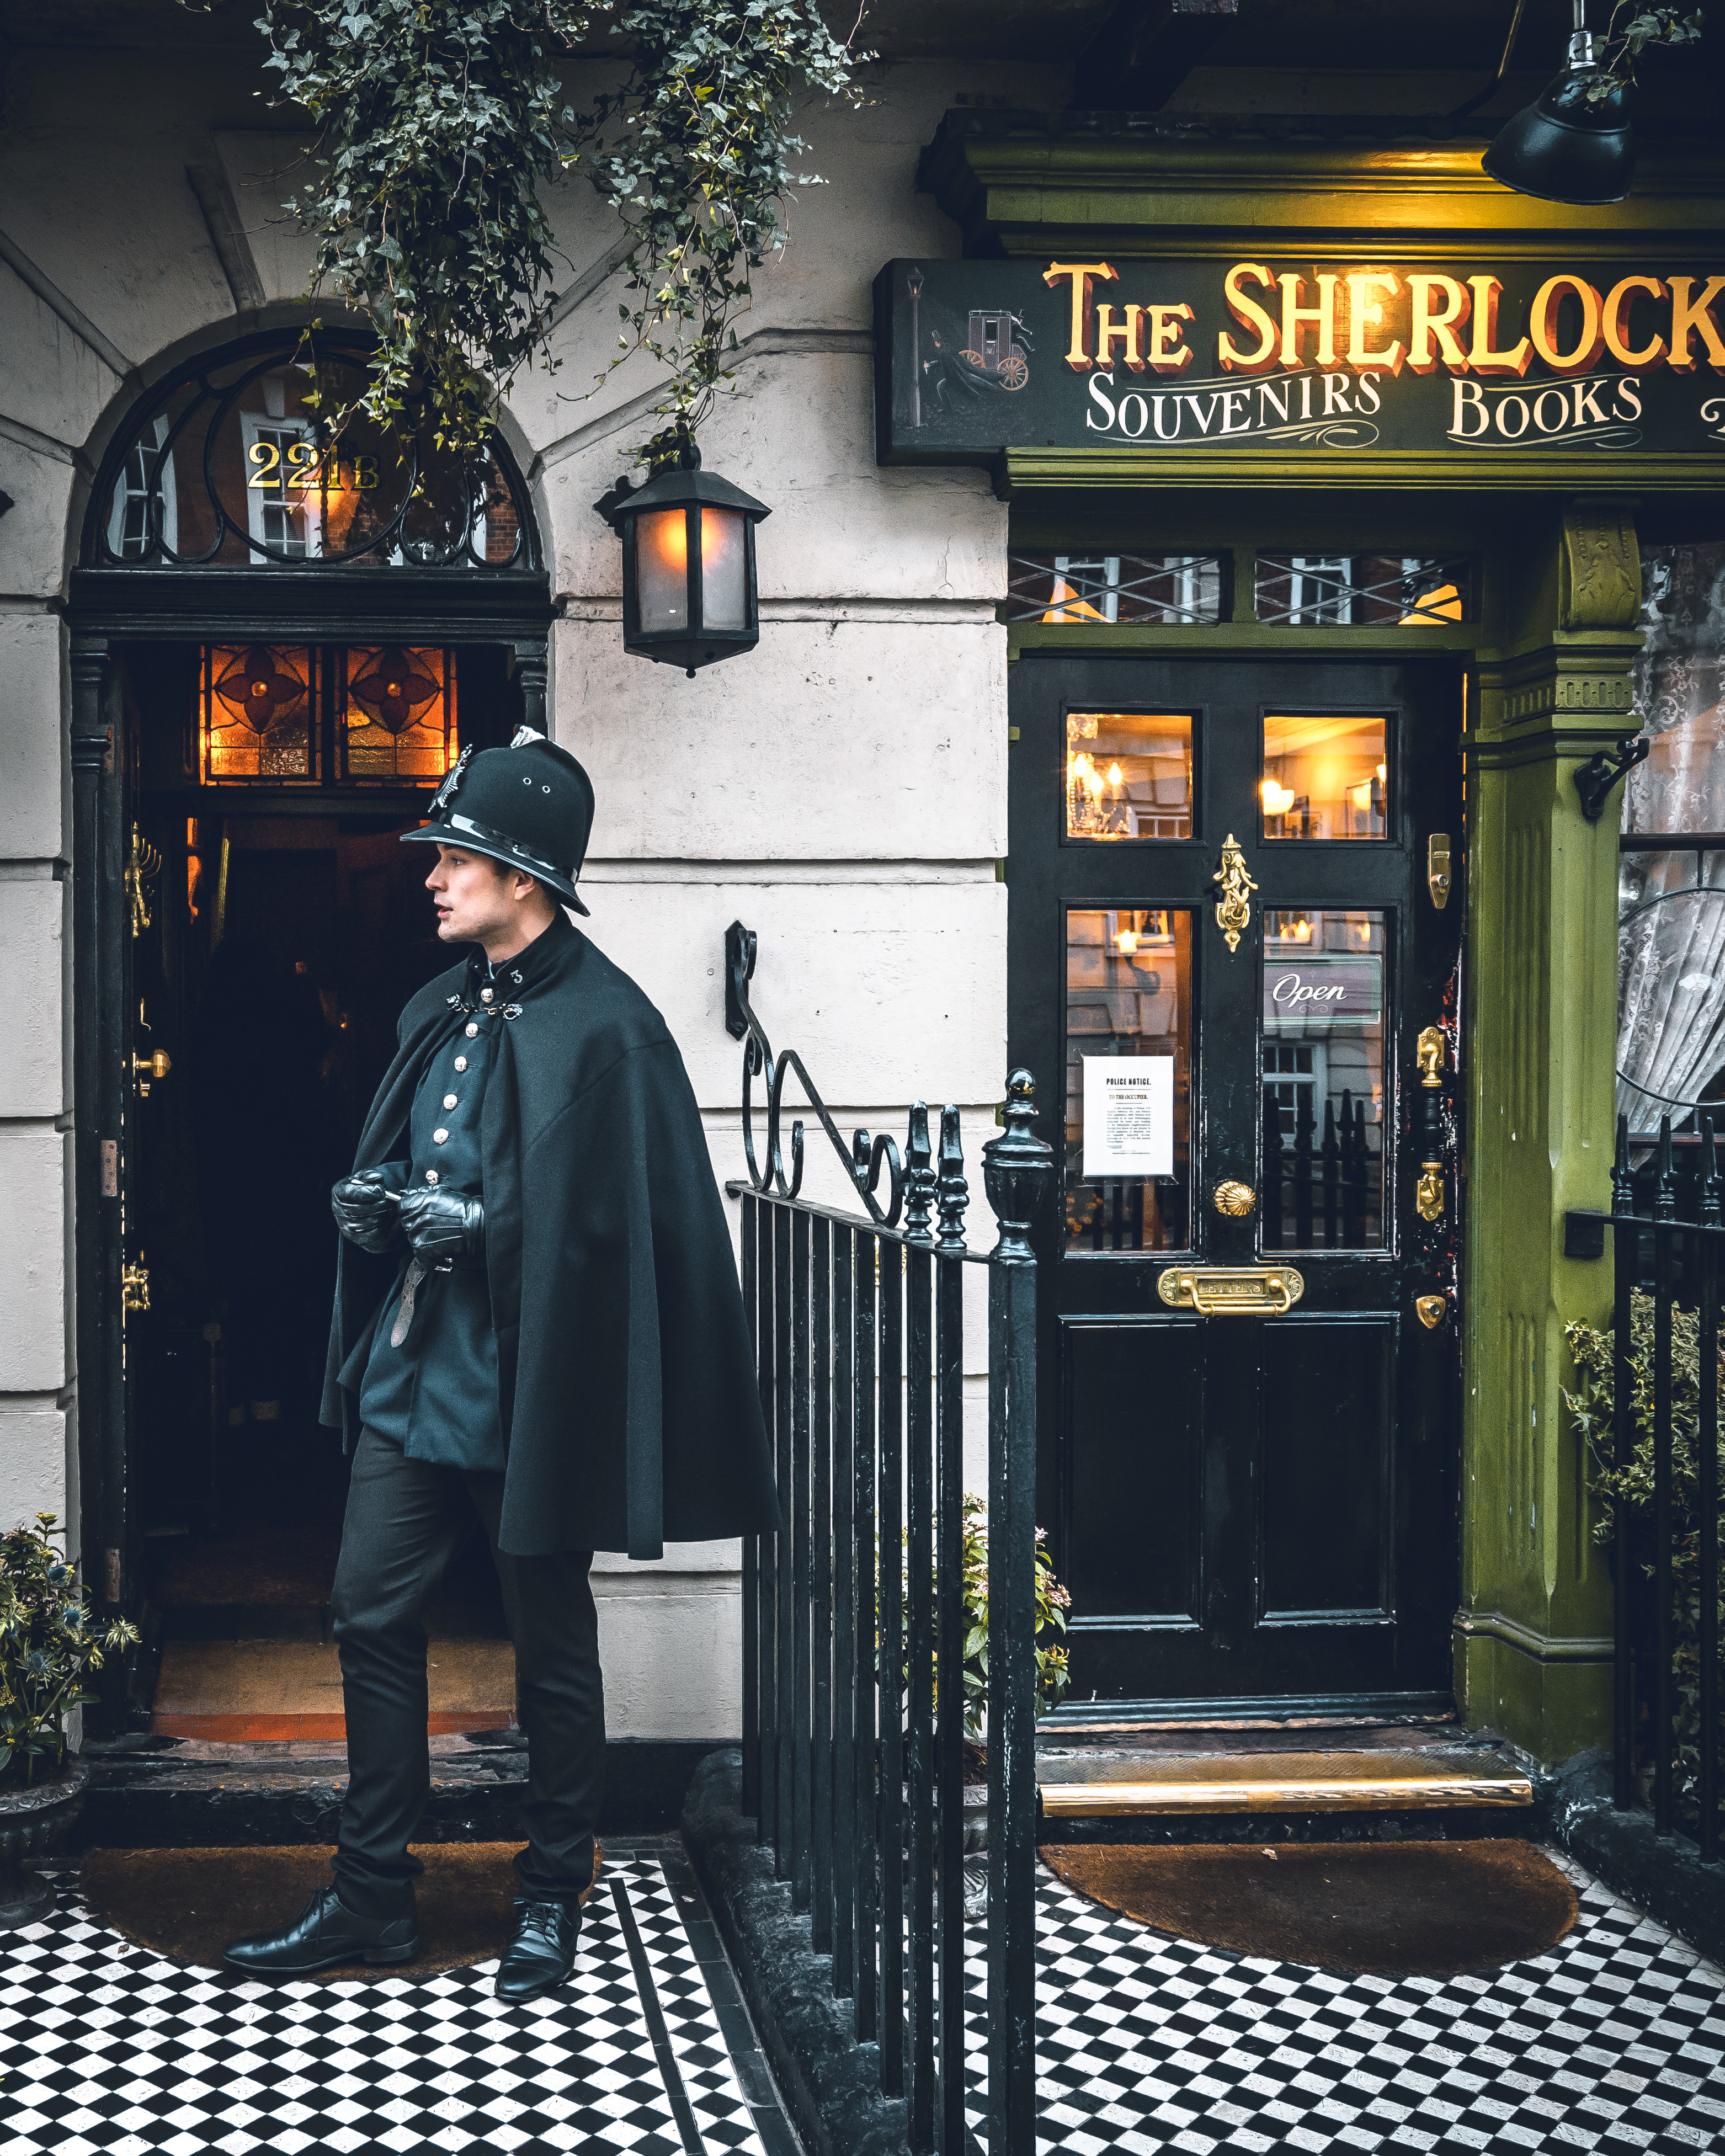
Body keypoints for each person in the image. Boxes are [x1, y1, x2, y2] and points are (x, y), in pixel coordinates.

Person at [223, 727, 779, 1997]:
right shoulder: (437, 1008)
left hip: (536, 1381)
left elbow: (621, 1231)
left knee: (548, 1642)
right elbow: (424, 1156)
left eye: (453, 857)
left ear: (520, 876)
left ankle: (551, 1892)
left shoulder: (612, 1029)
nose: (431, 876)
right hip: (415, 1373)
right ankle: (372, 1896)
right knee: (367, 1606)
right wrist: (374, 1210)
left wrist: (488, 1227)